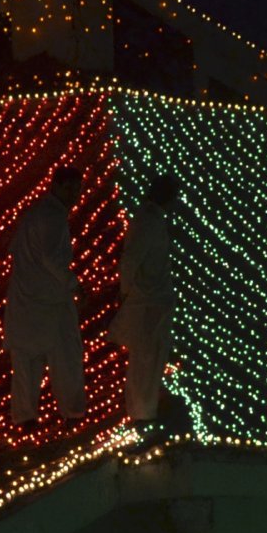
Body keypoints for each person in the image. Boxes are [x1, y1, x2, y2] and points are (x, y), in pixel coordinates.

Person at [6, 170, 85, 427]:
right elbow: (50, 258)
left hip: (26, 299)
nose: (75, 195)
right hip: (50, 301)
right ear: (58, 186)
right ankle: (71, 413)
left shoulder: (36, 214)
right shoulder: (52, 217)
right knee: (66, 358)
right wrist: (73, 283)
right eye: (72, 188)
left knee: (27, 362)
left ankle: (25, 416)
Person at [110, 174, 178, 427]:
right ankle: (140, 414)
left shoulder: (152, 220)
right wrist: (127, 292)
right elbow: (130, 260)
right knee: (145, 359)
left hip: (154, 298)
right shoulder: (148, 221)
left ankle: (144, 412)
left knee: (150, 358)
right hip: (147, 300)